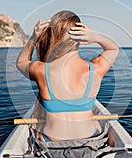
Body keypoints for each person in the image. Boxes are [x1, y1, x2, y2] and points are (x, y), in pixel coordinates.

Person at [16, 10, 119, 142]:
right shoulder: (95, 69)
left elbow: (21, 62)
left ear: (52, 38)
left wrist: (33, 38)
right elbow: (113, 49)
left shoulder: (42, 70)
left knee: (38, 125)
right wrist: (96, 37)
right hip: (90, 142)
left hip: (52, 143)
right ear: (80, 39)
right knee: (101, 126)